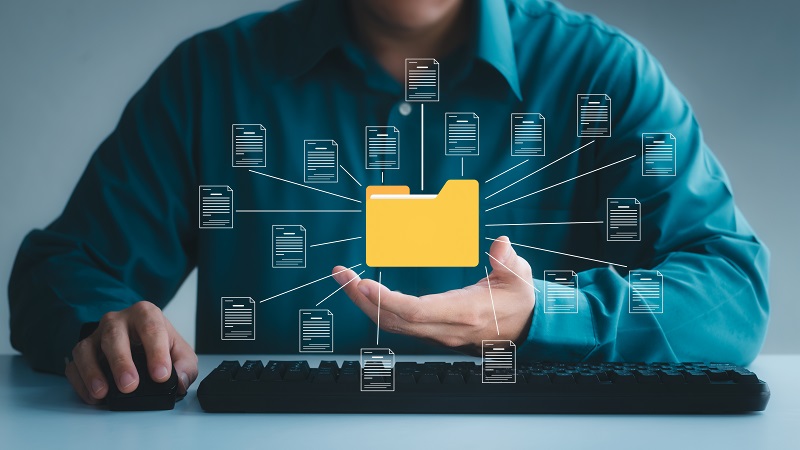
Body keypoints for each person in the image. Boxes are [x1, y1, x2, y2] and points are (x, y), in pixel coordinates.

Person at [8, 0, 769, 405]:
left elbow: (730, 293)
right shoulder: (212, 80)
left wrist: (542, 314)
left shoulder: (604, 72)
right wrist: (104, 326)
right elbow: (63, 271)